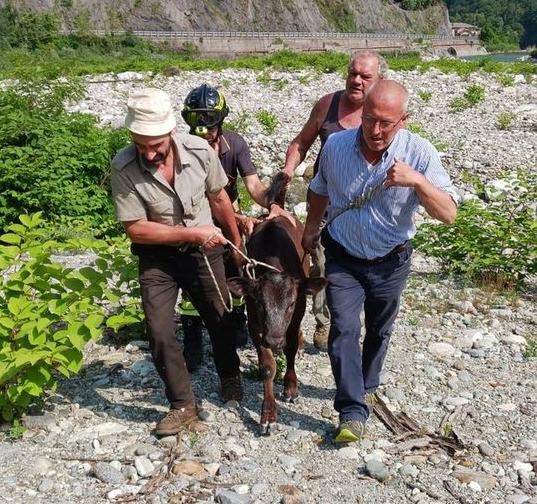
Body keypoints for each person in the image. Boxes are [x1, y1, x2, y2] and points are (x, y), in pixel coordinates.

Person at [302, 79, 458, 444]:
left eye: (386, 123)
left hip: (392, 260)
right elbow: (320, 189)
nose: (375, 130)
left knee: (379, 328)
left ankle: (369, 382)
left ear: (403, 120)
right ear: (361, 113)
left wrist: (417, 182)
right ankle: (352, 410)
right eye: (370, 119)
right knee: (343, 329)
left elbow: (448, 213)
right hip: (342, 255)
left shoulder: (420, 153)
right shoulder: (336, 146)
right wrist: (310, 227)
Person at [110, 86, 244, 436]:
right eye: (141, 146)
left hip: (205, 253)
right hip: (158, 258)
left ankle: (230, 376)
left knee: (220, 316)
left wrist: (234, 239)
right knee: (159, 330)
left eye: (155, 145)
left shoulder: (200, 152)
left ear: (170, 132)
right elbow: (137, 229)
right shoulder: (123, 167)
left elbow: (218, 198)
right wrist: (193, 234)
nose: (149, 153)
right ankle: (182, 404)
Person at [281, 50, 386, 351]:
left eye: (365, 76)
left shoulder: (385, 110)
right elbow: (301, 142)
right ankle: (326, 321)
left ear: (379, 80)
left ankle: (359, 320)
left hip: (369, 206)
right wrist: (289, 169)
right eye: (353, 73)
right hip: (327, 202)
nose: (356, 80)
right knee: (322, 264)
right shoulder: (328, 105)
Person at [179, 83, 288, 370]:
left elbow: (252, 184)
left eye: (208, 123)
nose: (202, 129)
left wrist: (271, 203)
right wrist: (237, 220)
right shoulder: (181, 147)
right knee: (193, 279)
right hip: (193, 215)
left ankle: (237, 322)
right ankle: (192, 338)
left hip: (230, 213)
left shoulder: (234, 144)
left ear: (220, 121)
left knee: (238, 267)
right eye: (196, 122)